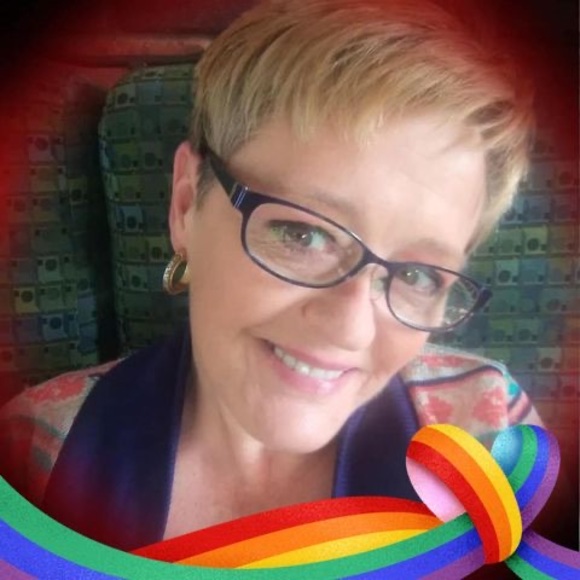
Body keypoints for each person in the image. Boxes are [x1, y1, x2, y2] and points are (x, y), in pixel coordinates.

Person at [0, 0, 545, 553]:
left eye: (419, 275)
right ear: (186, 205)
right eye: (302, 235)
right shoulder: (35, 456)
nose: (351, 329)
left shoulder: (495, 433)